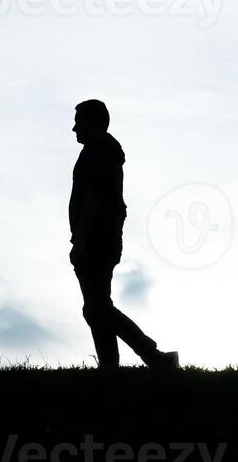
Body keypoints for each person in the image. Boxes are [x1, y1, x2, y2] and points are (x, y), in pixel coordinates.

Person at [69, 99, 179, 370]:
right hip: (100, 238)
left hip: (96, 240)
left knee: (97, 308)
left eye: (78, 121)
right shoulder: (102, 151)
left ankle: (154, 357)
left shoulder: (98, 151)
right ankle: (111, 366)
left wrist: (81, 240)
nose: (73, 128)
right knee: (97, 307)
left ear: (93, 122)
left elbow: (93, 197)